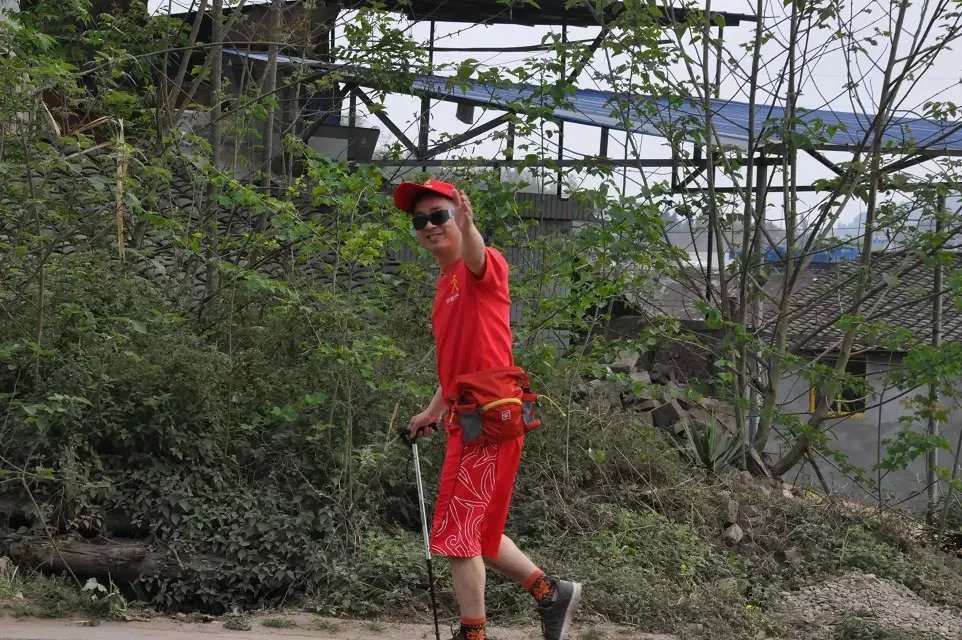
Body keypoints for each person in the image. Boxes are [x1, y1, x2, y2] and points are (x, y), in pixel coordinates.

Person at [396, 178, 582, 640]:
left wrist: (470, 227)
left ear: (458, 218)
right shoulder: (444, 285)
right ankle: (550, 593)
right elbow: (457, 368)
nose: (429, 226)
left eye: (439, 215)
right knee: (478, 532)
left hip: (489, 424)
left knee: (459, 533)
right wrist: (432, 411)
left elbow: (477, 255)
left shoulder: (483, 265)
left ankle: (473, 634)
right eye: (420, 220)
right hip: (469, 420)